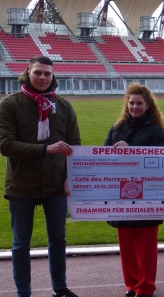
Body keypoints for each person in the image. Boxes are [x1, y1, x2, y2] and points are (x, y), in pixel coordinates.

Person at [0, 56, 81, 297]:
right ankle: (23, 292)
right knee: (21, 243)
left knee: (58, 239)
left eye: (47, 73)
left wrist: (71, 176)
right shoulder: (9, 104)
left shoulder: (64, 106)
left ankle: (60, 288)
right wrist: (46, 149)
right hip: (21, 184)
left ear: (53, 76)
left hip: (56, 183)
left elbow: (74, 144)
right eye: (38, 73)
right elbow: (5, 145)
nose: (43, 77)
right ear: (28, 72)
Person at [104, 83, 164, 297]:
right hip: (120, 193)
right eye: (131, 103)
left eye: (139, 103)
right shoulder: (116, 127)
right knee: (127, 243)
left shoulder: (155, 130)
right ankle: (131, 284)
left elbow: (159, 158)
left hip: (147, 194)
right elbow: (103, 154)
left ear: (148, 105)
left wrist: (131, 151)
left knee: (147, 244)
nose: (134, 107)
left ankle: (146, 286)